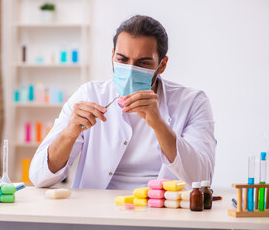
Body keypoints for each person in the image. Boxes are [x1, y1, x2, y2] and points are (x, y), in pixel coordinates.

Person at [29, 15, 216, 190]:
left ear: (162, 65)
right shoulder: (89, 95)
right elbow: (39, 177)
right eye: (122, 59)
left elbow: (201, 179)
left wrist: (159, 125)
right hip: (95, 215)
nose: (130, 70)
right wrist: (69, 133)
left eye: (143, 63)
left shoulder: (192, 102)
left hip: (162, 214)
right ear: (112, 56)